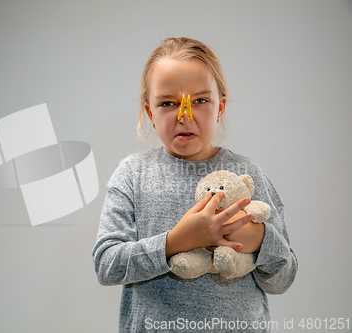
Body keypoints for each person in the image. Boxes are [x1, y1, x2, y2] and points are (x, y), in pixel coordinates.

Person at [92, 37, 298, 332]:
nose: (184, 115)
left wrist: (259, 239)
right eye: (167, 103)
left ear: (220, 107)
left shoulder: (247, 173)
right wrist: (176, 241)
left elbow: (283, 278)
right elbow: (106, 264)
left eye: (200, 100)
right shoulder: (133, 174)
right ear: (150, 112)